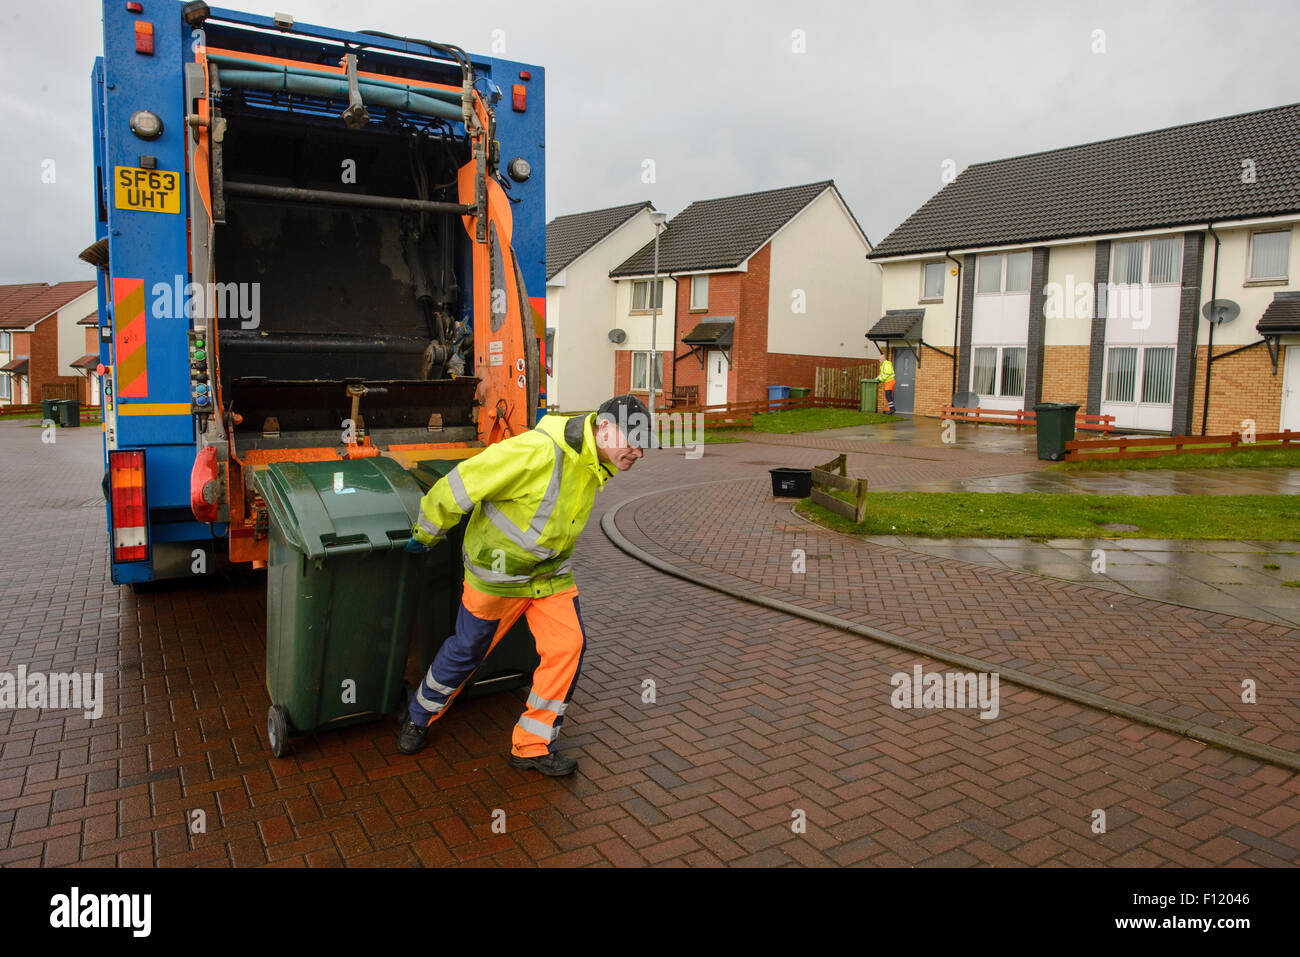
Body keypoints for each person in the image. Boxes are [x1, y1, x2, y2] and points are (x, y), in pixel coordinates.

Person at [396, 394, 651, 776]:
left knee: (568, 647)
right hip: (497, 577)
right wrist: (426, 532)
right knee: (468, 650)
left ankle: (531, 746)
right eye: (631, 440)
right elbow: (461, 484)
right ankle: (418, 716)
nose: (638, 453)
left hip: (549, 577)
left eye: (643, 444)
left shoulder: (594, 461)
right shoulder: (536, 451)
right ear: (603, 428)